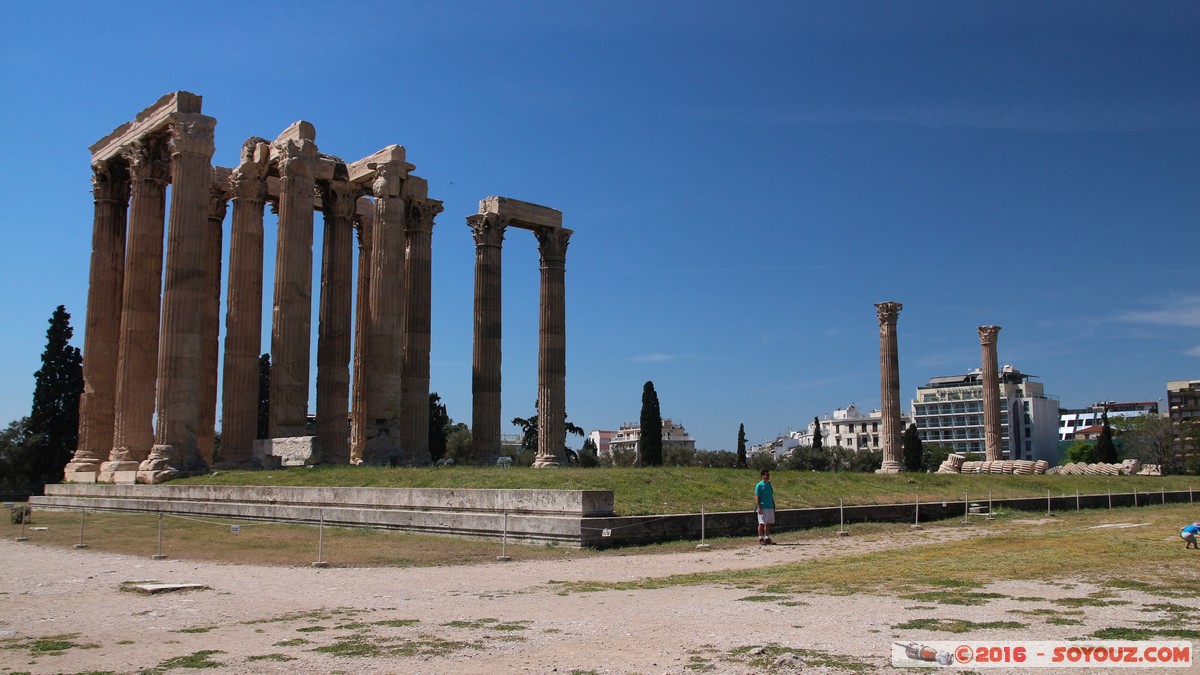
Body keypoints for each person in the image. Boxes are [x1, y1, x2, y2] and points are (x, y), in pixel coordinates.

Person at [755, 469, 776, 545]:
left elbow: (771, 495)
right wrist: (759, 507)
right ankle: (760, 538)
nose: (767, 476)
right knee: (761, 523)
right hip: (763, 507)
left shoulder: (769, 484)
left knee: (768, 523)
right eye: (766, 475)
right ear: (762, 476)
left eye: (768, 475)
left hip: (769, 506)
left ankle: (767, 538)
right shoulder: (759, 485)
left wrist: (773, 504)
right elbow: (757, 497)